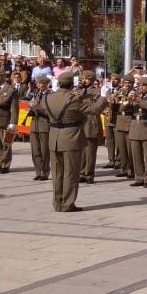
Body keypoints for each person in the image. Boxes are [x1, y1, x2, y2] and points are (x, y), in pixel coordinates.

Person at [39, 71, 107, 212]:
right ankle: (68, 203)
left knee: (57, 173)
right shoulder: (74, 99)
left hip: (54, 137)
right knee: (70, 173)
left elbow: (41, 110)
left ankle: (57, 202)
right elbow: (94, 110)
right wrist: (104, 97)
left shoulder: (48, 98)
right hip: (71, 137)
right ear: (72, 84)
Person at [127, 76, 147, 188]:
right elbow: (122, 109)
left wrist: (139, 101)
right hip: (135, 126)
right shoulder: (134, 95)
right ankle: (139, 178)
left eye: (143, 85)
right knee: (136, 155)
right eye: (140, 85)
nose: (141, 87)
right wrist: (127, 101)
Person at [24, 75, 52, 181]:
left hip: (44, 125)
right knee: (35, 150)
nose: (38, 85)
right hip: (34, 124)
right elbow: (32, 107)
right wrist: (30, 109)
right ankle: (38, 171)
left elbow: (49, 112)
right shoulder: (36, 94)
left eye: (40, 83)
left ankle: (45, 172)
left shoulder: (50, 95)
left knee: (45, 150)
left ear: (46, 84)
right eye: (38, 83)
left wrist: (37, 107)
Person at [79, 73, 103, 184]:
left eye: (87, 79)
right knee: (82, 152)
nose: (84, 81)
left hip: (92, 124)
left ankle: (89, 174)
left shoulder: (97, 91)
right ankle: (81, 172)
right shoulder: (79, 91)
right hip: (81, 124)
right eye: (83, 78)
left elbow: (97, 108)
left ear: (92, 80)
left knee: (90, 152)